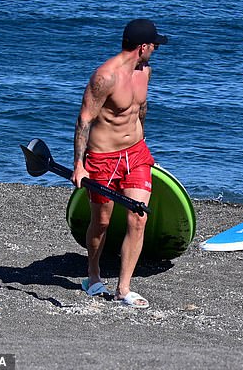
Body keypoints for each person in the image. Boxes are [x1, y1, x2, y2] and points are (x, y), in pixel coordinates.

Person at [71, 19, 168, 308]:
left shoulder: (145, 72)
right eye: (154, 45)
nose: (156, 50)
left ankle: (123, 288)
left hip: (136, 154)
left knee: (138, 218)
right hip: (103, 158)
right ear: (143, 47)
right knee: (101, 221)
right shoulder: (105, 77)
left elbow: (141, 107)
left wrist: (144, 138)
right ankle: (93, 274)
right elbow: (84, 120)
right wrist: (79, 164)